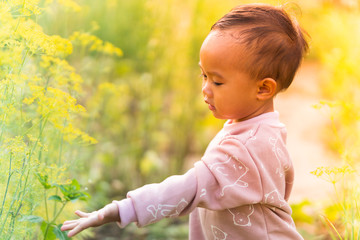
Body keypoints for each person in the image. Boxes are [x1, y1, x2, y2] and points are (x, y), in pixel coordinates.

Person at [61, 3, 309, 239]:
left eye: (217, 82)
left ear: (263, 88)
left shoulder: (246, 148)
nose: (205, 89)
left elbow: (185, 189)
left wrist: (116, 211)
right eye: (204, 75)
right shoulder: (264, 130)